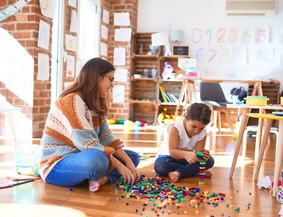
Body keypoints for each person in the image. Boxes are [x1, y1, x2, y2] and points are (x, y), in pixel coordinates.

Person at [38, 58, 140, 192]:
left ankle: (102, 179)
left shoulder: (96, 103)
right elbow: (88, 145)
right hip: (56, 164)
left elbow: (107, 139)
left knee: (133, 156)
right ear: (97, 77)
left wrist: (128, 163)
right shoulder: (72, 101)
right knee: (98, 160)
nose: (112, 85)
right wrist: (121, 167)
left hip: (82, 156)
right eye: (110, 79)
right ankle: (98, 174)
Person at [154, 103, 214, 183]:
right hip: (169, 158)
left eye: (201, 128)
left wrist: (203, 156)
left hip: (187, 159)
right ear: (186, 118)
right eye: (194, 126)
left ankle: (178, 173)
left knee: (210, 161)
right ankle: (193, 171)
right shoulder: (175, 128)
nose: (197, 131)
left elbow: (197, 154)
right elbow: (172, 152)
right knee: (160, 166)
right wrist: (185, 154)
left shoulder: (203, 133)